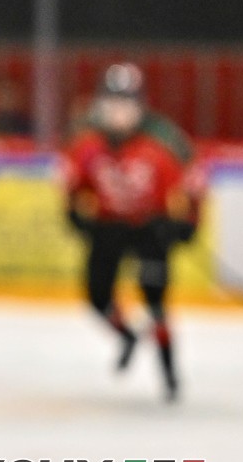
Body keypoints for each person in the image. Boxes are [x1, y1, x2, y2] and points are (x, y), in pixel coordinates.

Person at [62, 63, 203, 401]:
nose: (118, 113)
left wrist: (186, 224)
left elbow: (195, 184)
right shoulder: (87, 142)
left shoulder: (163, 142)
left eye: (125, 105)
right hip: (109, 226)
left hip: (150, 228)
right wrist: (74, 214)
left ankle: (169, 371)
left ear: (141, 107)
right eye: (111, 104)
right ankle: (127, 335)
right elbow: (72, 183)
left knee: (155, 302)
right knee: (97, 296)